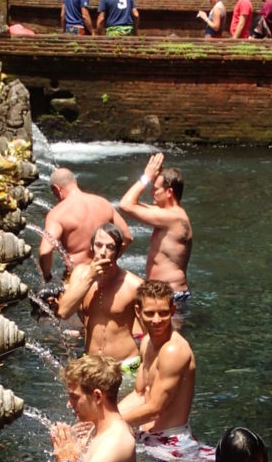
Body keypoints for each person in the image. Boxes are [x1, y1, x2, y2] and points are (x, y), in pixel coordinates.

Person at [119, 280, 208, 462]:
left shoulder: (173, 351)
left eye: (163, 313)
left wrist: (108, 423)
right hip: (146, 438)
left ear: (173, 311)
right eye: (150, 313)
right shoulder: (146, 343)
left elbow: (154, 409)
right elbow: (139, 394)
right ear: (138, 312)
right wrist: (105, 417)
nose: (157, 320)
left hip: (171, 447)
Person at [57, 224, 143, 369]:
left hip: (125, 366)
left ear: (118, 251)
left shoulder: (133, 284)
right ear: (91, 247)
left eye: (110, 247)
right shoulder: (80, 274)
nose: (103, 252)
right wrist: (90, 278)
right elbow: (63, 312)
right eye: (98, 245)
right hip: (90, 363)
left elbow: (151, 332)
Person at [37, 168, 132, 282]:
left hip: (78, 277)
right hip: (104, 273)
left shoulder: (58, 213)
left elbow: (45, 251)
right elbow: (128, 237)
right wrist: (111, 260)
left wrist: (47, 277)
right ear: (75, 183)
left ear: (57, 189)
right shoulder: (103, 203)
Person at [118, 152, 192, 295]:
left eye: (156, 189)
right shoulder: (170, 214)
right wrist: (155, 176)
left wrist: (146, 177)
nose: (152, 192)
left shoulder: (172, 217)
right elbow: (131, 203)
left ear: (169, 192)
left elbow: (125, 204)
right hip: (164, 292)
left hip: (171, 294)